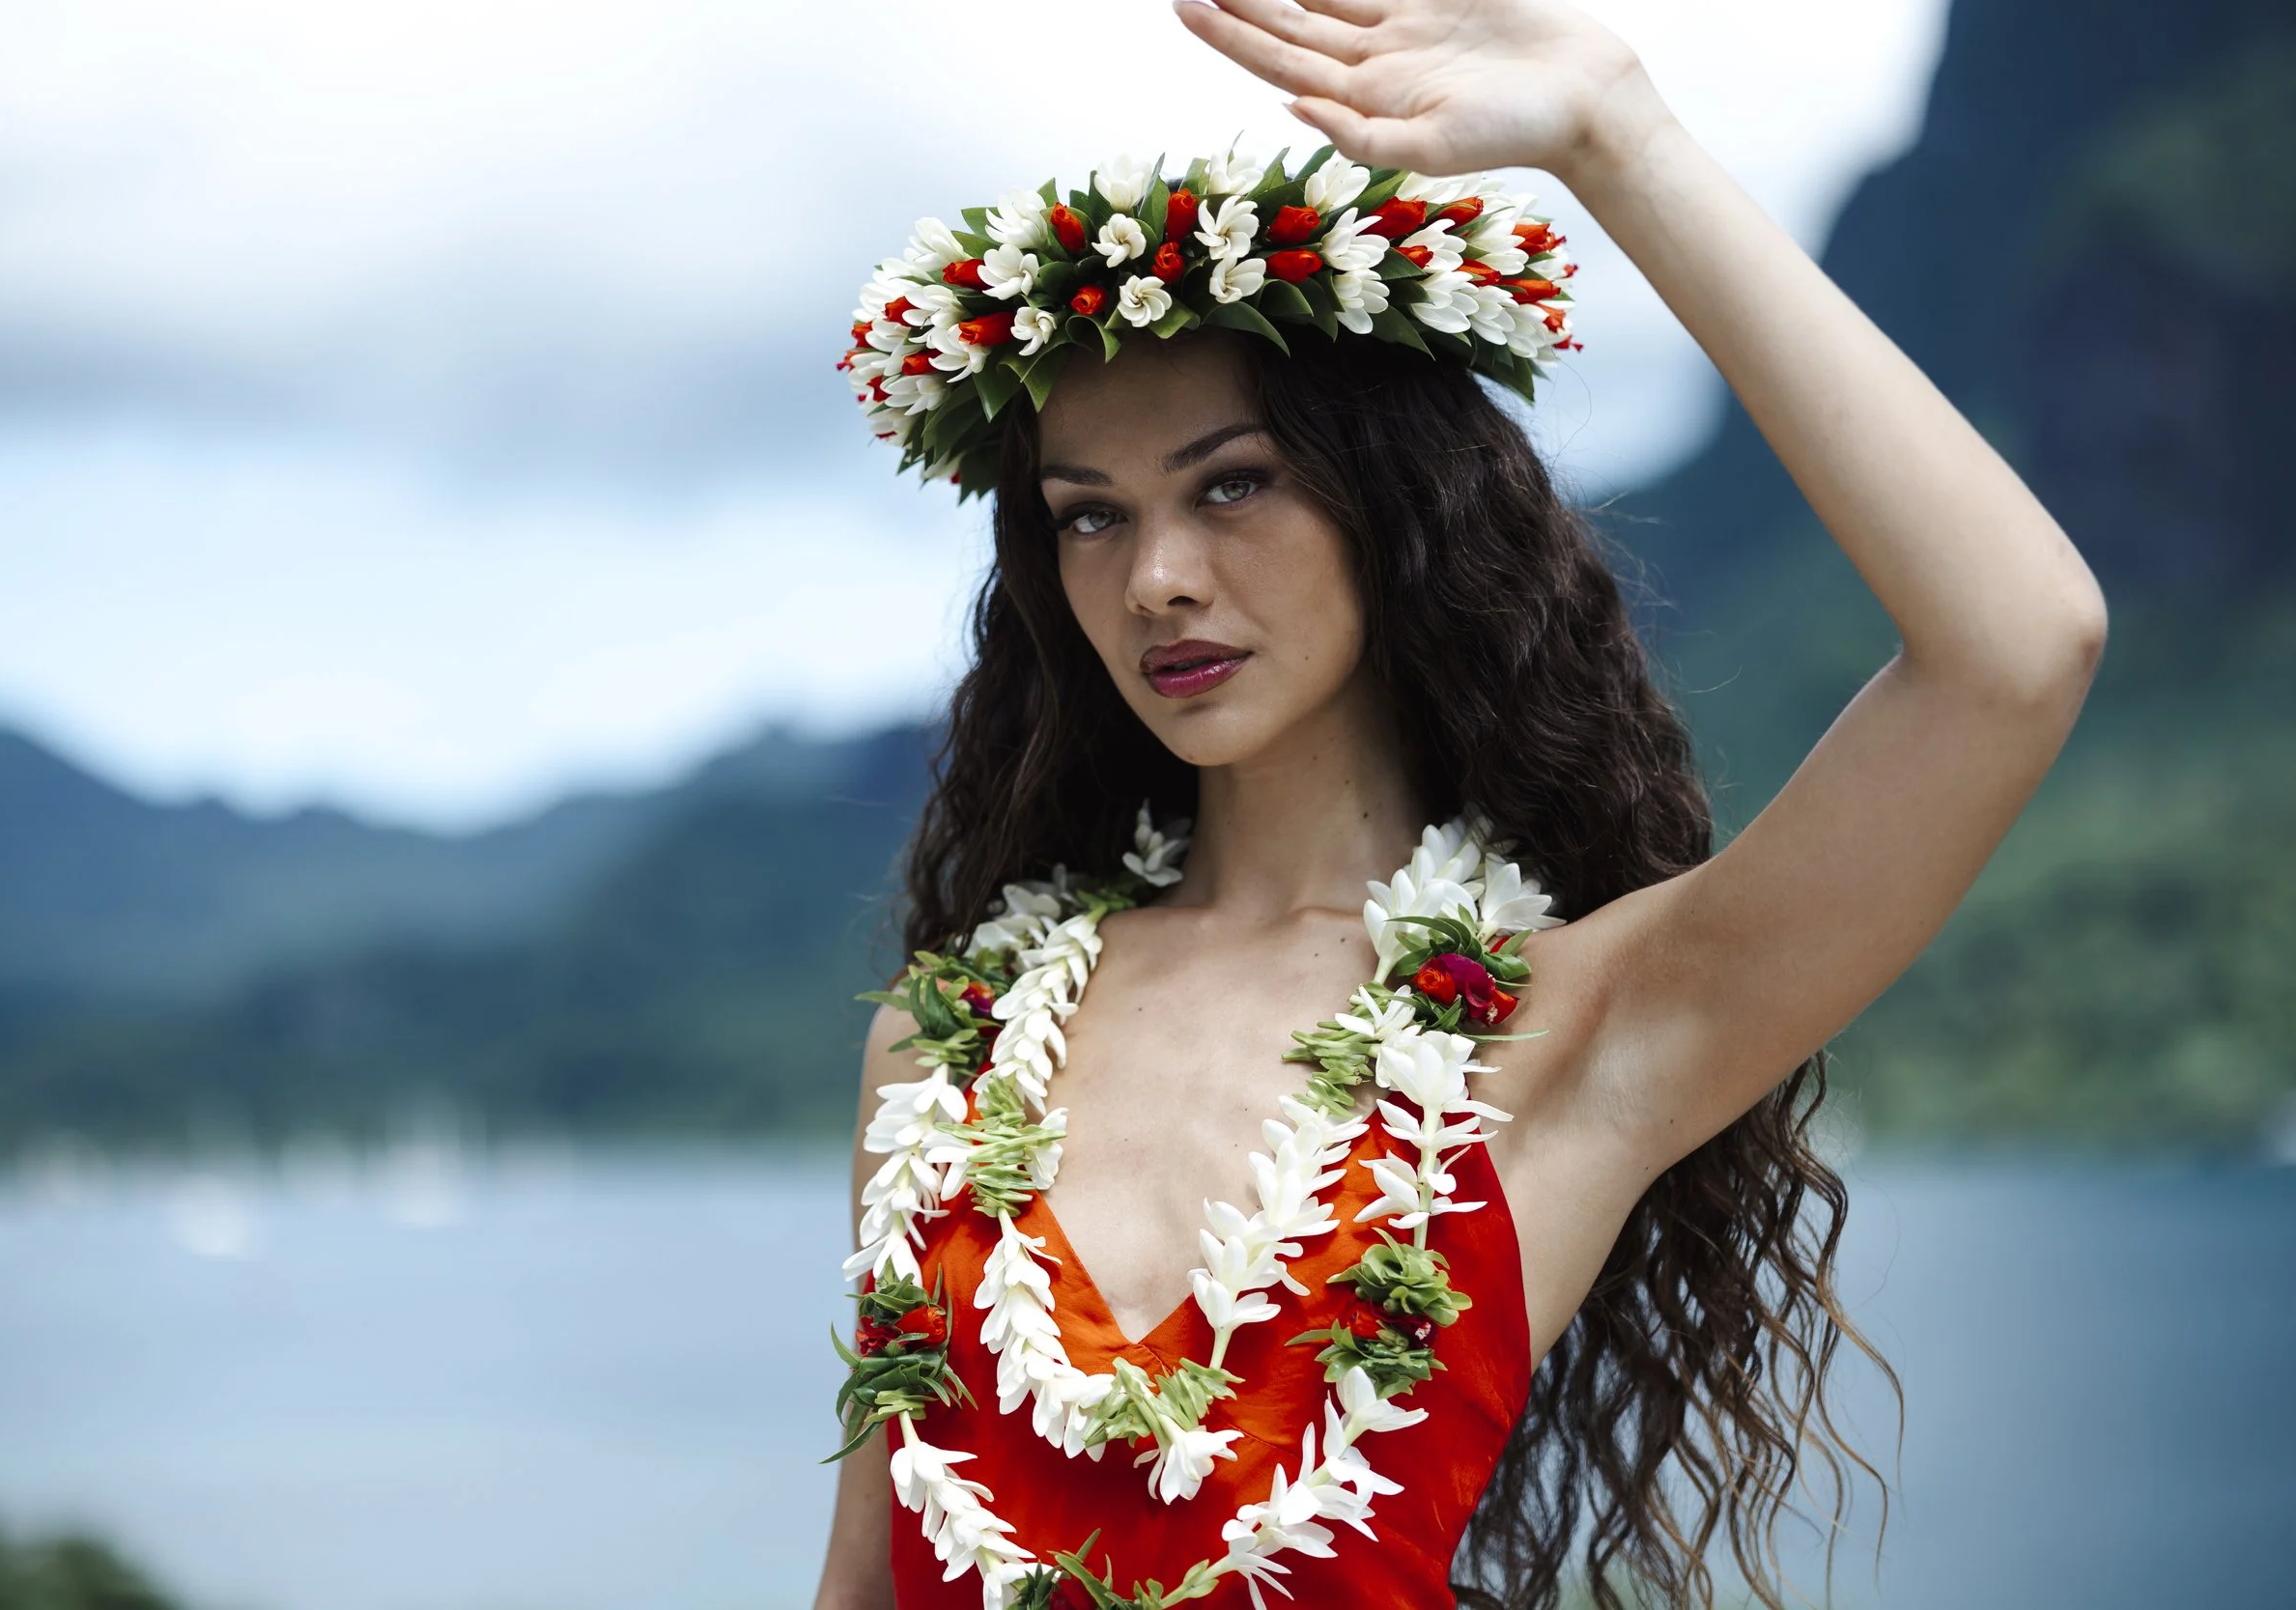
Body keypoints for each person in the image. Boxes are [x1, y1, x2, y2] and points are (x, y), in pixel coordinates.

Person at [814, 1, 2107, 1605]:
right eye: (1092, 517)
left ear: (1391, 501)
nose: (1157, 578)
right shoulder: (947, 1051)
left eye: (1232, 483)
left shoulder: (1572, 1031)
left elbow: (2018, 650)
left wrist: (1619, 136)